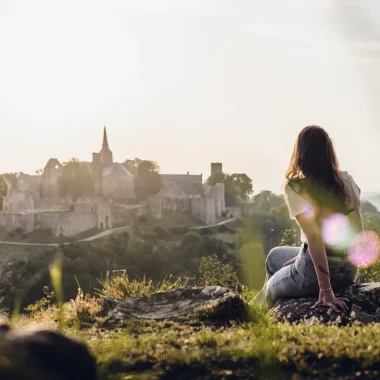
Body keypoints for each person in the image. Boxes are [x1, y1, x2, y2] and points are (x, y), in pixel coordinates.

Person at [257, 125, 363, 311]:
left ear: (300, 153)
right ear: (329, 151)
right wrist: (301, 255)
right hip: (349, 270)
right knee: (274, 256)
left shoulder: (296, 187)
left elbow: (315, 239)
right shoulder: (346, 180)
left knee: (269, 289)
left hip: (314, 273)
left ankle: (253, 317)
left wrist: (326, 289)